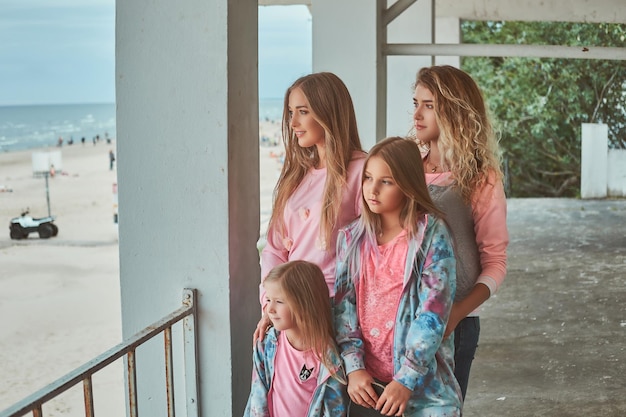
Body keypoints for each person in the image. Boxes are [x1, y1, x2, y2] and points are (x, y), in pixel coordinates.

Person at [334, 137, 462, 417]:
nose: (372, 189)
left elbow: (433, 314)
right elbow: (344, 308)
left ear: (407, 185)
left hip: (424, 388)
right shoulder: (351, 238)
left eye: (386, 181)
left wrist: (406, 378)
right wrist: (354, 367)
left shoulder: (431, 236)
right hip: (368, 387)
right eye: (368, 178)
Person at [410, 65, 509, 400]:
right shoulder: (404, 168)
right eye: (415, 103)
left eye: (429, 105)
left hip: (456, 324)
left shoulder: (483, 179)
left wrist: (455, 315)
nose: (417, 114)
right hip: (399, 318)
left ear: (454, 111)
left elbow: (495, 263)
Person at [254, 72, 367, 341]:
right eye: (291, 112)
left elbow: (376, 248)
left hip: (335, 315)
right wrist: (269, 305)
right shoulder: (297, 174)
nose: (293, 122)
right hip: (289, 315)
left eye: (302, 112)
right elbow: (275, 248)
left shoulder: (363, 170)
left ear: (328, 112)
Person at [244, 260, 348, 417]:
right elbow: (257, 397)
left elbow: (335, 410)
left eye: (279, 301)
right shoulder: (267, 345)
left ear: (304, 304)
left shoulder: (328, 357)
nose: (270, 309)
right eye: (268, 300)